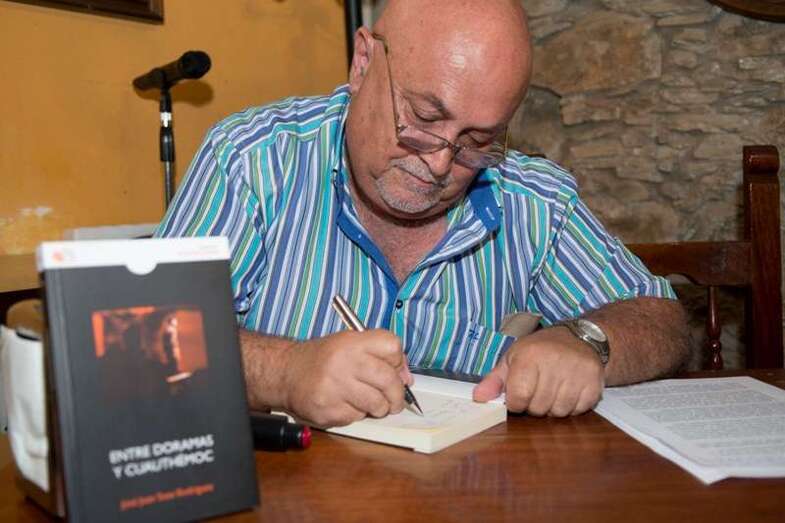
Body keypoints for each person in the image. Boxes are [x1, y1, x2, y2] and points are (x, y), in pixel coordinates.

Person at [156, 0, 689, 427]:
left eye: (476, 141)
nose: (438, 164)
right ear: (363, 62)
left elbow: (661, 318)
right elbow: (149, 336)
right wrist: (285, 373)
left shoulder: (532, 197)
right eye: (424, 116)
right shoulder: (252, 158)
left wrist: (588, 341)